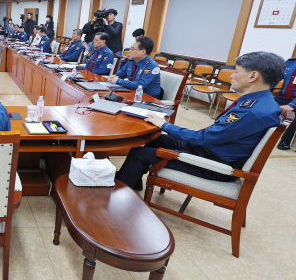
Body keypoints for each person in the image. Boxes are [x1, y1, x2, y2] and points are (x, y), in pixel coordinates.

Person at [115, 51, 284, 191]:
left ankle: (119, 195)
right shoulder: (262, 102)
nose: (232, 76)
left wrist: (165, 125)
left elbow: (204, 138)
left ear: (253, 76)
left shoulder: (251, 111)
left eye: (236, 71)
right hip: (210, 149)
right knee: (155, 138)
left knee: (138, 154)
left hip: (214, 163)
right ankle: (132, 180)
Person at [273, 57, 296, 150]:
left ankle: (285, 140)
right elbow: (275, 79)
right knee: (263, 106)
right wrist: (263, 90)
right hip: (284, 96)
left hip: (294, 101)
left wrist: (291, 105)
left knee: (291, 117)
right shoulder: (290, 62)